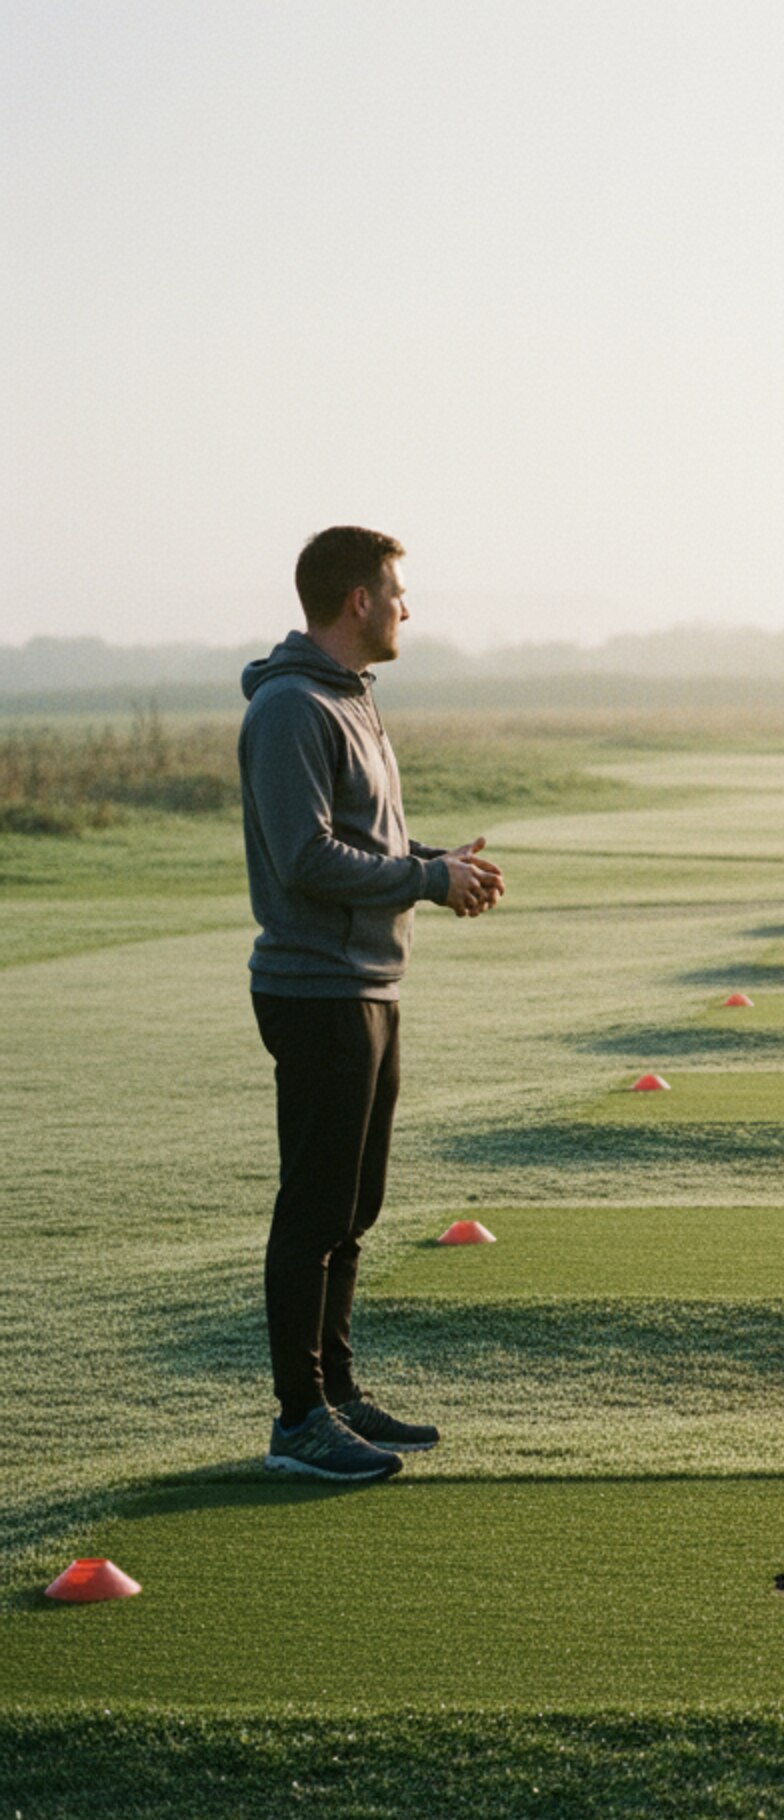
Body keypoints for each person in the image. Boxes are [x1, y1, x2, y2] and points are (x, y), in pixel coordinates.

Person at [238, 526, 503, 1480]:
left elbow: (364, 840)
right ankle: (298, 1420)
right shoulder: (291, 709)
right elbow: (305, 856)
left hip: (370, 982)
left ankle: (339, 1395)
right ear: (356, 601)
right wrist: (426, 878)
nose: (405, 608)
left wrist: (438, 865)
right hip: (315, 988)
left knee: (357, 1205)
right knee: (313, 1209)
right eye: (396, 592)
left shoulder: (352, 702)